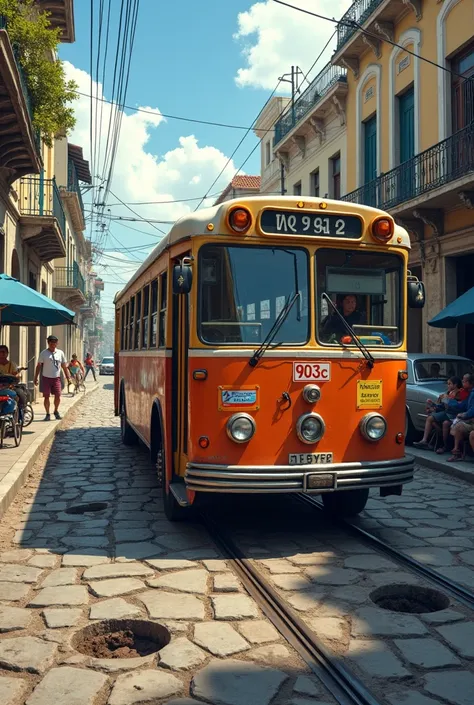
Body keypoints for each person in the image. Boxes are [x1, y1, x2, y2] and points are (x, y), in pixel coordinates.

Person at [413, 376, 467, 453]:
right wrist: (433, 405)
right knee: (431, 418)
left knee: (443, 422)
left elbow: (457, 406)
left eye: (449, 384)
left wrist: (446, 399)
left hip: (454, 415)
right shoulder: (448, 393)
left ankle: (444, 445)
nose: (447, 386)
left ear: (455, 385)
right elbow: (442, 407)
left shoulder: (460, 393)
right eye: (447, 384)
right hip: (447, 413)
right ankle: (427, 440)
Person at [34, 336, 71, 421]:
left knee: (58, 395)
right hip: (46, 378)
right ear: (48, 343)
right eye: (51, 342)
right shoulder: (44, 353)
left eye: (54, 342)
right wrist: (35, 377)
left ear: (57, 343)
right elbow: (39, 366)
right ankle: (47, 413)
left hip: (56, 378)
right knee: (46, 396)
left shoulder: (60, 353)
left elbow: (64, 366)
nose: (52, 344)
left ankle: (56, 411)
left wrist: (68, 377)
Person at [446, 373, 474, 462]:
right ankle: (458, 450)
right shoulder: (470, 393)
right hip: (469, 419)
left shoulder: (471, 394)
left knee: (457, 427)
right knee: (454, 426)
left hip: (471, 420)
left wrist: (464, 415)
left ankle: (456, 452)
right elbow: (462, 405)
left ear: (470, 383)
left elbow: (472, 409)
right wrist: (450, 401)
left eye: (464, 381)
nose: (462, 382)